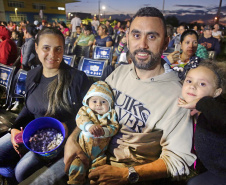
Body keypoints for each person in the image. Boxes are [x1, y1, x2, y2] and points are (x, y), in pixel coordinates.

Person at [64, 7, 196, 185]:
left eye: (151, 36)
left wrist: (127, 174)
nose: (142, 44)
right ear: (127, 39)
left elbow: (178, 160)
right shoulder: (120, 73)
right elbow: (91, 109)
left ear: (165, 43)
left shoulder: (177, 96)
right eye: (136, 35)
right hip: (88, 155)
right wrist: (72, 139)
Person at [0, 27, 90, 185]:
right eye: (46, 48)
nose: (52, 55)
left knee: (22, 172)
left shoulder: (77, 78)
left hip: (60, 141)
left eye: (58, 49)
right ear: (36, 48)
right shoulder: (32, 75)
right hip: (33, 132)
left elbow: (88, 114)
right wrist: (15, 127)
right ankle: (9, 175)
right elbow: (28, 108)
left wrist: (67, 126)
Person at [177, 60, 226, 185]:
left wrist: (202, 103)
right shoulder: (189, 110)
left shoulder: (217, 109)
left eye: (202, 84)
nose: (193, 86)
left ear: (216, 92)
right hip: (209, 170)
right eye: (189, 81)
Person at [68, 81, 119, 184]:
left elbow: (115, 127)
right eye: (94, 101)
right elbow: (79, 119)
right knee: (76, 168)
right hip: (82, 151)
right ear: (87, 101)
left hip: (99, 154)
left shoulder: (110, 114)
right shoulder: (85, 110)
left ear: (109, 103)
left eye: (103, 102)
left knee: (98, 174)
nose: (98, 104)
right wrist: (89, 126)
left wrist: (104, 131)